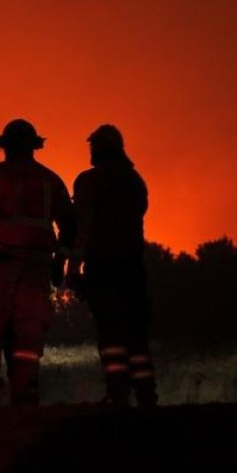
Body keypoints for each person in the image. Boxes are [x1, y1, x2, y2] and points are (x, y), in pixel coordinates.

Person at [0, 119, 75, 405]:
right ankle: (25, 393)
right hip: (37, 267)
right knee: (28, 331)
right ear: (33, 145)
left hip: (1, 263)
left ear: (5, 145)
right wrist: (59, 260)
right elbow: (70, 225)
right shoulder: (52, 180)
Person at [67, 124, 158, 407]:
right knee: (136, 333)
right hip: (132, 266)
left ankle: (117, 393)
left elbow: (83, 227)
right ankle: (146, 394)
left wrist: (73, 267)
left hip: (102, 265)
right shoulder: (135, 181)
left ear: (96, 149)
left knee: (110, 331)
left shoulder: (88, 181)